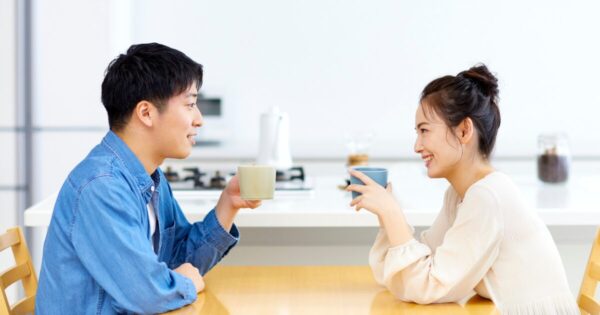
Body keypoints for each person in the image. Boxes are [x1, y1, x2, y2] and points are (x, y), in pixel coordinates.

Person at [35, 43, 261, 314]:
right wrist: (185, 282)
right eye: (190, 104)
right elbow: (149, 295)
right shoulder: (102, 186)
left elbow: (181, 261)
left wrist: (228, 205)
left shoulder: (149, 177)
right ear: (146, 113)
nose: (199, 119)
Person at [347, 64, 579, 314]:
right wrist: (387, 217)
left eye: (424, 130)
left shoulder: (487, 197)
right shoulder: (461, 194)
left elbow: (427, 286)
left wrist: (393, 213)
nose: (417, 146)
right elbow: (412, 278)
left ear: (464, 130)